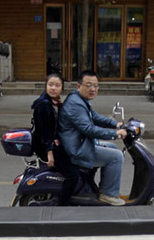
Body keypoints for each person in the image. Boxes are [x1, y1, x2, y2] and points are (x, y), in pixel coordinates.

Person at [58, 70, 127, 206]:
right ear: (79, 86)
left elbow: (94, 117)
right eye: (88, 85)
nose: (93, 89)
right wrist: (115, 134)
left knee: (112, 147)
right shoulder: (76, 104)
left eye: (95, 86)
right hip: (76, 148)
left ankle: (100, 186)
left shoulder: (80, 99)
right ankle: (108, 194)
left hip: (79, 142)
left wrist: (115, 124)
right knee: (116, 156)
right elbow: (88, 129)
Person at [31, 73, 77, 204]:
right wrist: (49, 153)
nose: (53, 88)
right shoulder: (44, 104)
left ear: (62, 88)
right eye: (50, 85)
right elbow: (45, 132)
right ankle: (63, 204)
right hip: (46, 146)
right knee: (73, 174)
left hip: (53, 143)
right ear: (45, 86)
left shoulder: (53, 102)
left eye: (57, 85)